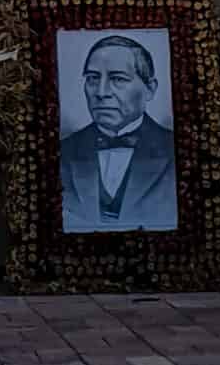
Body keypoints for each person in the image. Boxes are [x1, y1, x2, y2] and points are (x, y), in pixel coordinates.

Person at [59, 34, 178, 231]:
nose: (101, 92)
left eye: (118, 79)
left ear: (150, 89)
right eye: (92, 78)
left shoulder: (177, 149)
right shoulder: (61, 152)